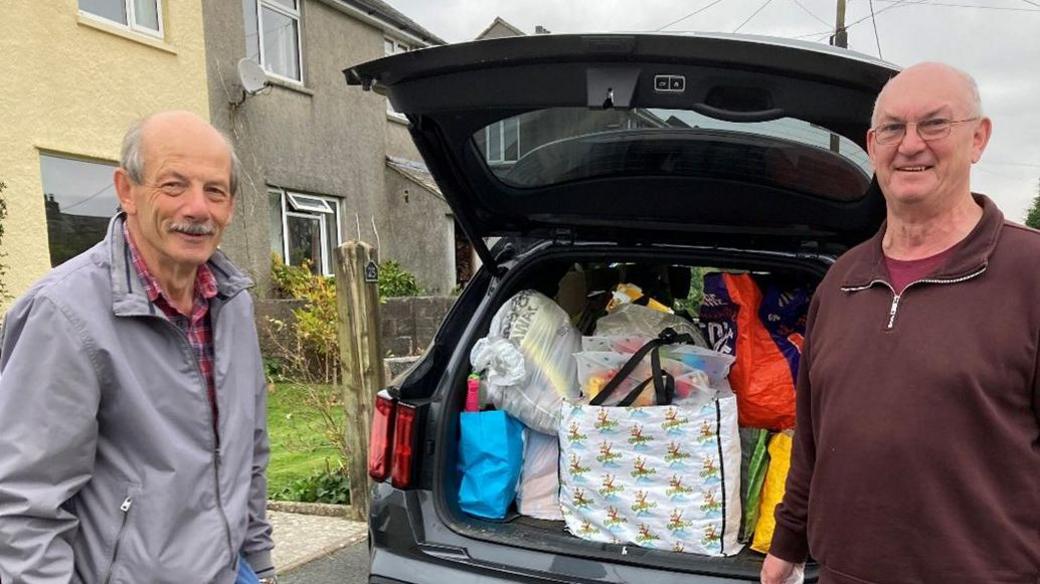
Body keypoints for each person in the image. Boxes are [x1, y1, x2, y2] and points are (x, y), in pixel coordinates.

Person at [761, 63, 1040, 583]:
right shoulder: (842, 280)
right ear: (872, 144)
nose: (910, 145)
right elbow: (811, 438)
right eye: (892, 128)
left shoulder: (1030, 275)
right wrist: (787, 545)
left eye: (935, 124)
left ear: (978, 138)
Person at [0, 111, 277, 583]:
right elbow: (24, 509)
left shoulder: (232, 302)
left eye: (215, 191)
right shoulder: (63, 314)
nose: (197, 208)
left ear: (230, 206)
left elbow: (247, 454)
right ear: (126, 190)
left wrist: (260, 562)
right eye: (173, 186)